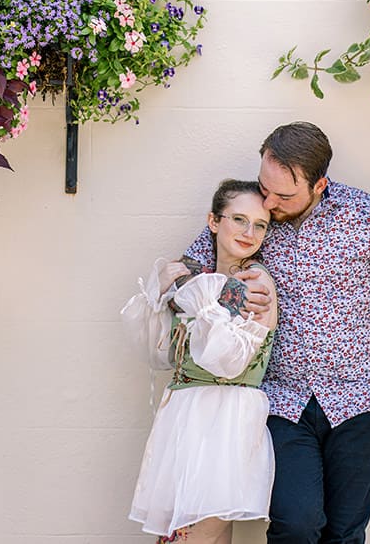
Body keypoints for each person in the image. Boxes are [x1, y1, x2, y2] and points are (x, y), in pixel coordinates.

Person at [181, 122, 370, 543]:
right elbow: (190, 272)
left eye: (283, 196)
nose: (269, 202)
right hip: (281, 402)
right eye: (265, 187)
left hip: (360, 402)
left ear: (319, 184)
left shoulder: (368, 216)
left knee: (345, 532)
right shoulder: (253, 216)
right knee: (294, 524)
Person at [123, 179, 281, 543]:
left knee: (194, 537)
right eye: (239, 219)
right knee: (178, 536)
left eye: (259, 225)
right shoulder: (195, 280)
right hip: (184, 415)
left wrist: (207, 301)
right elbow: (158, 353)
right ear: (214, 221)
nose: (249, 232)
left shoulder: (255, 283)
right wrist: (160, 293)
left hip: (225, 418)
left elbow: (227, 362)